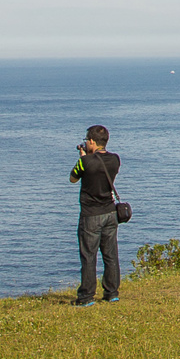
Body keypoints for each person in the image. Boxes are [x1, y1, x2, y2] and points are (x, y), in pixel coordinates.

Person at [68, 125, 123, 306]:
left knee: (89, 256)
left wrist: (84, 158)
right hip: (110, 212)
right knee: (110, 254)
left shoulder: (86, 162)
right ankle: (111, 292)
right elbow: (99, 168)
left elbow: (73, 178)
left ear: (91, 141)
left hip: (91, 215)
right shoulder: (115, 160)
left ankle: (86, 296)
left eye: (86, 141)